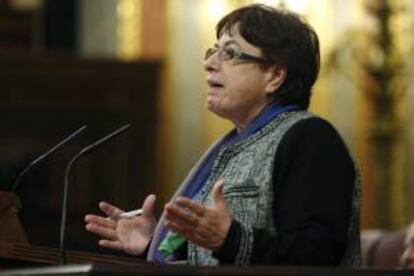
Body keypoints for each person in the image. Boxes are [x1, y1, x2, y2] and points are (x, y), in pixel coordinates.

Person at [84, 4, 361, 266]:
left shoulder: (311, 138)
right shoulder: (231, 147)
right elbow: (211, 252)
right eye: (213, 51)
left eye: (229, 53)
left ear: (275, 75)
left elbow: (318, 252)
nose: (210, 64)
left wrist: (231, 240)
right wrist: (151, 245)